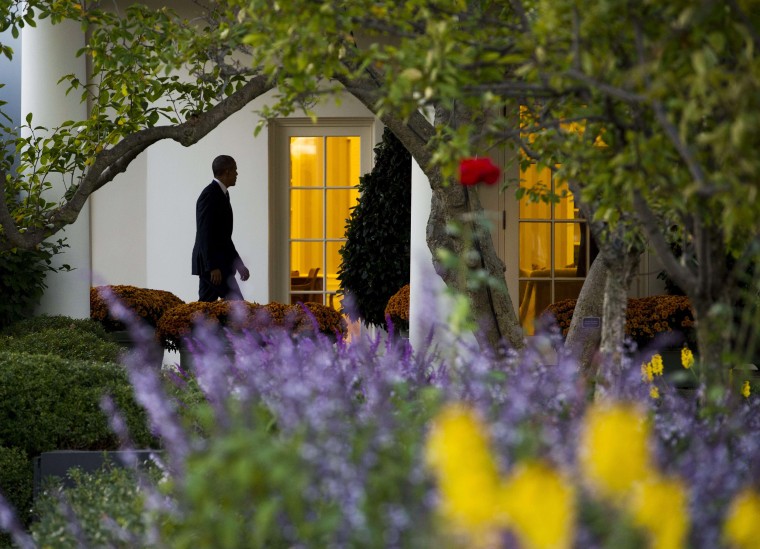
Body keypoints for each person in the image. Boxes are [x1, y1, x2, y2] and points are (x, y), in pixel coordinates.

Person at [192, 155, 250, 301]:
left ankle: (185, 324)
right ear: (227, 172)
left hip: (216, 264)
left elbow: (224, 237)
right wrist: (212, 266)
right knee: (238, 306)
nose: (237, 174)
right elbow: (205, 233)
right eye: (235, 170)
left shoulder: (222, 194)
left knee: (205, 309)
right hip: (214, 267)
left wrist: (239, 264)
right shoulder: (210, 195)